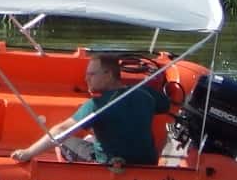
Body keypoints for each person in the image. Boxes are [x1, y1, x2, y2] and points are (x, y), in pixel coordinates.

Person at [11, 53, 159, 166]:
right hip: (147, 164)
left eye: (92, 74)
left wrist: (28, 153)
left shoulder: (97, 105)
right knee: (93, 137)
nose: (86, 79)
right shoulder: (146, 94)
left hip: (112, 166)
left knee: (64, 142)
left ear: (108, 75)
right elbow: (166, 105)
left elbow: (62, 130)